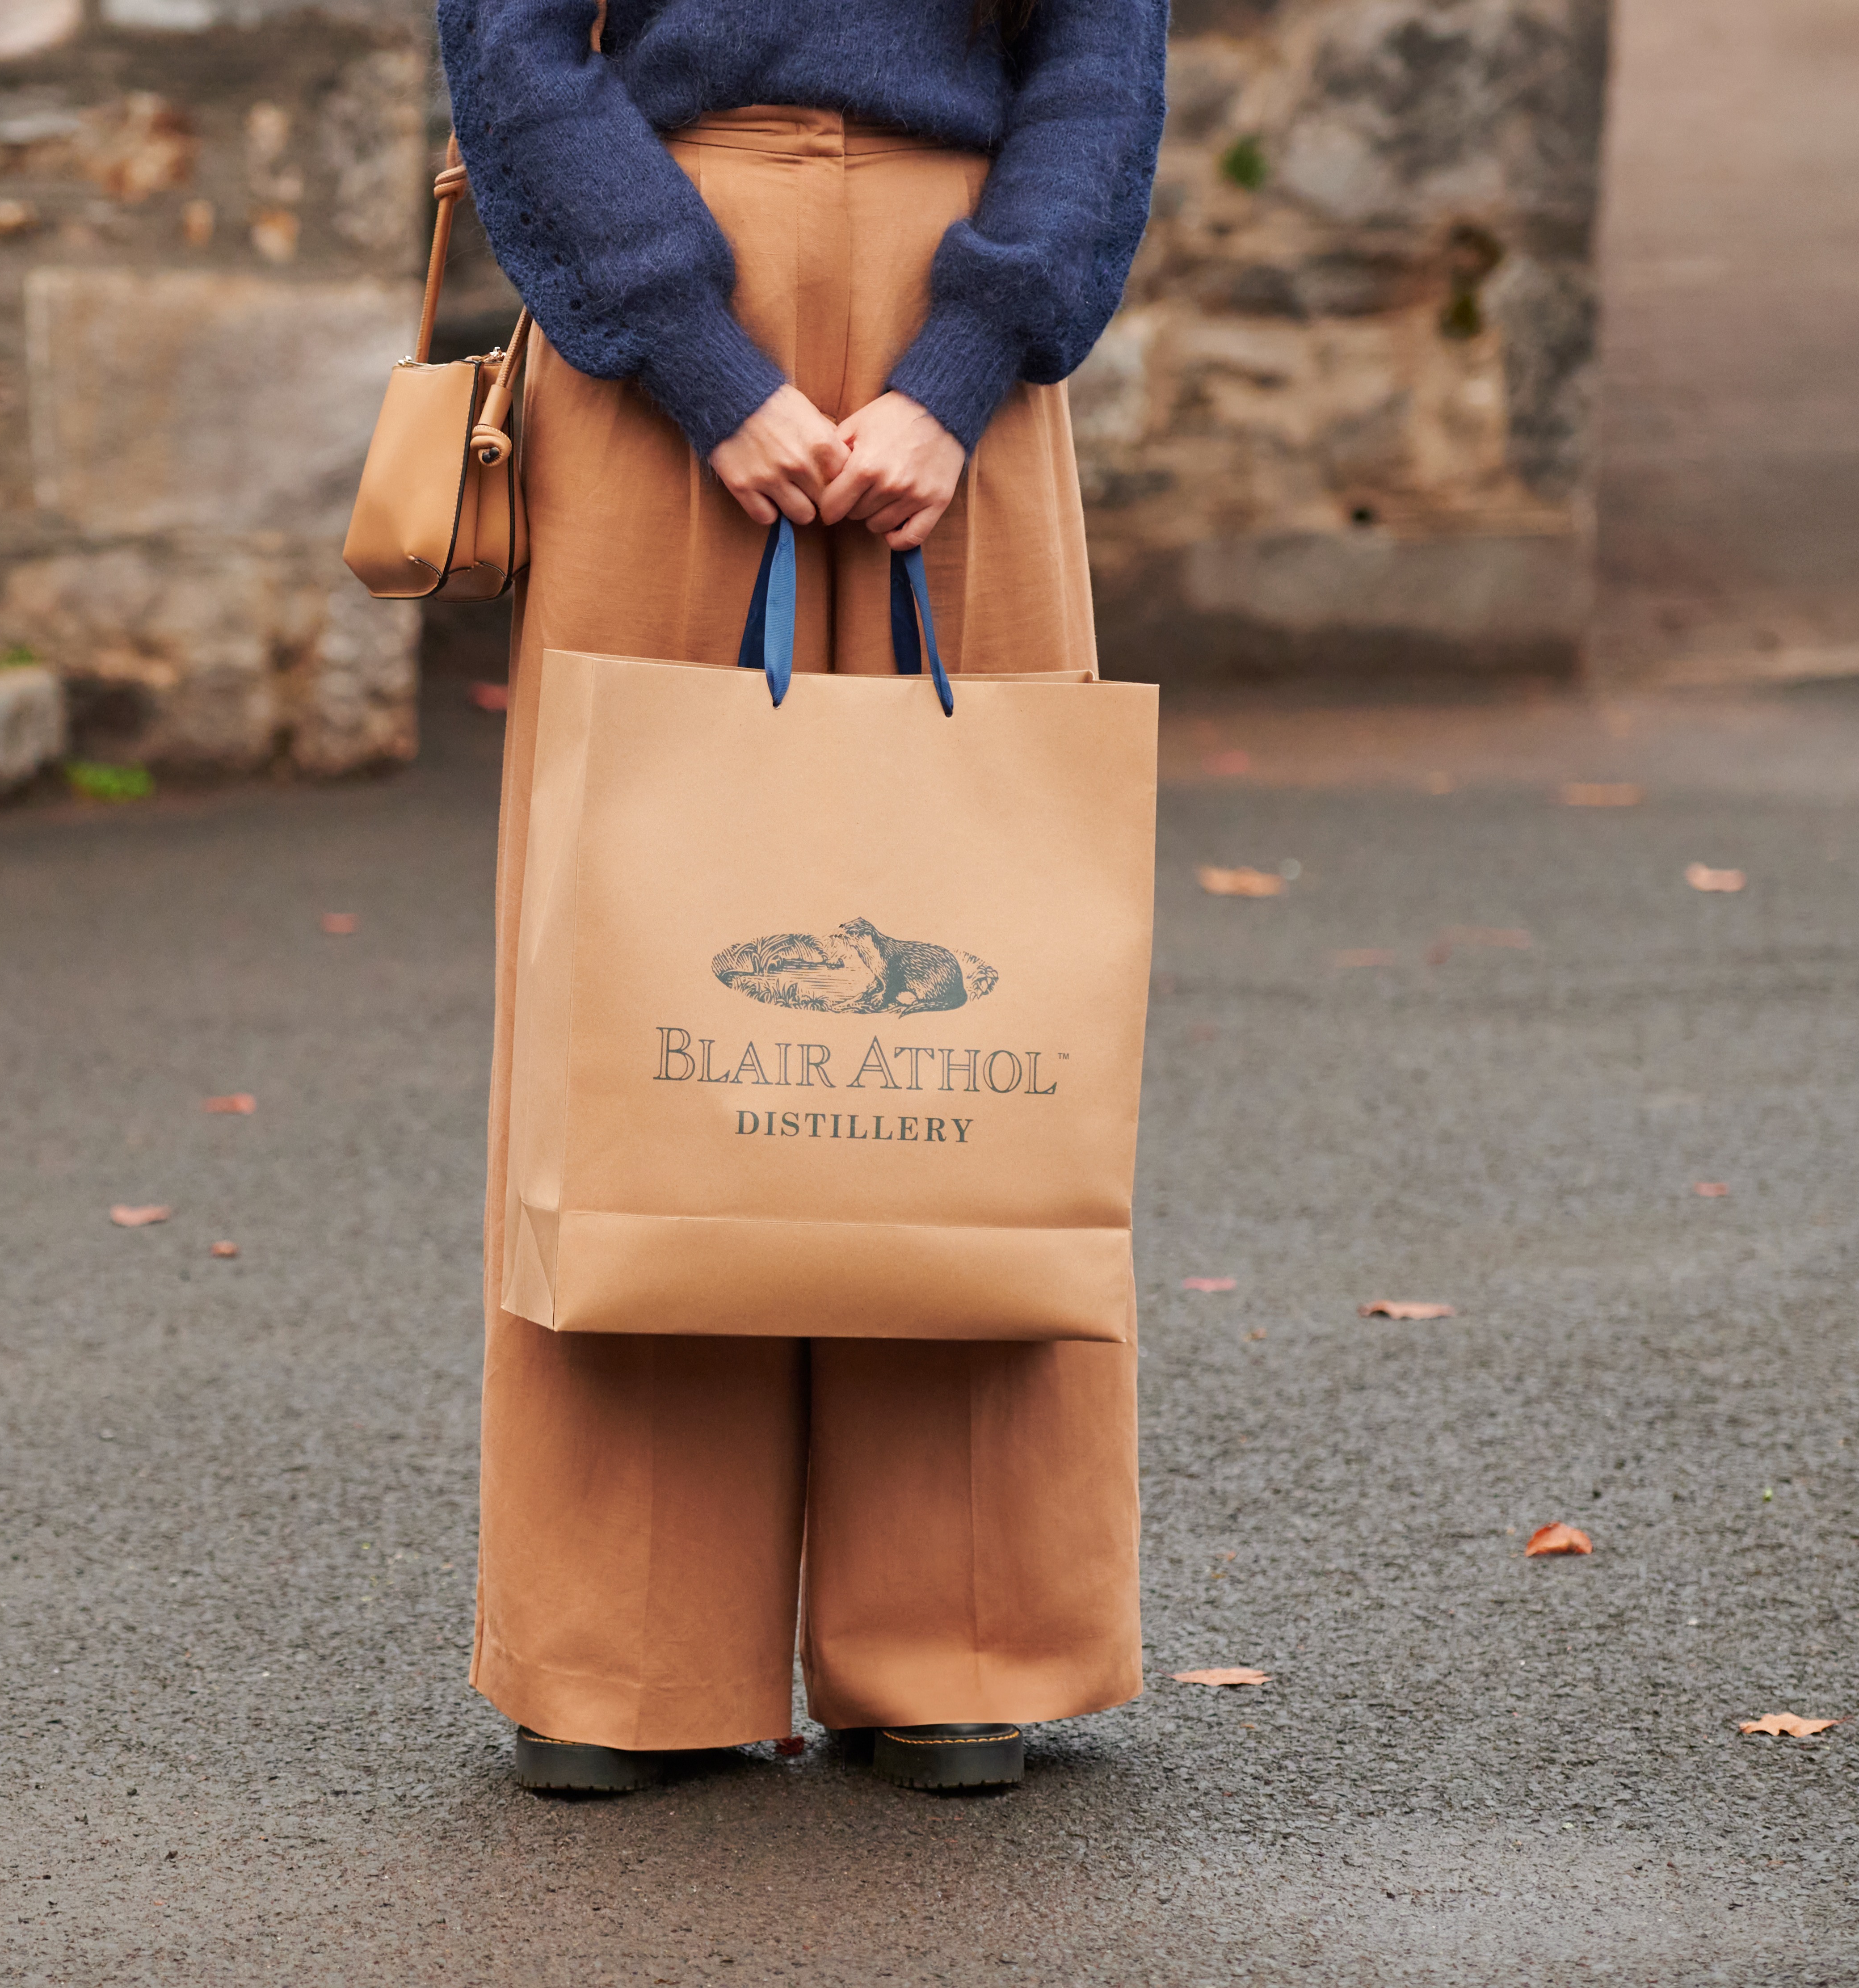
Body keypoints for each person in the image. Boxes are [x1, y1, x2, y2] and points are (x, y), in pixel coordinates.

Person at [439, 0, 1170, 1794]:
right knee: (646, 981)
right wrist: (697, 355)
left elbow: (1102, 52)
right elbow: (514, 42)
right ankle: (625, 1649)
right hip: (654, 304)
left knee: (971, 980)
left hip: (958, 307)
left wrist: (966, 365)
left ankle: (962, 1638)